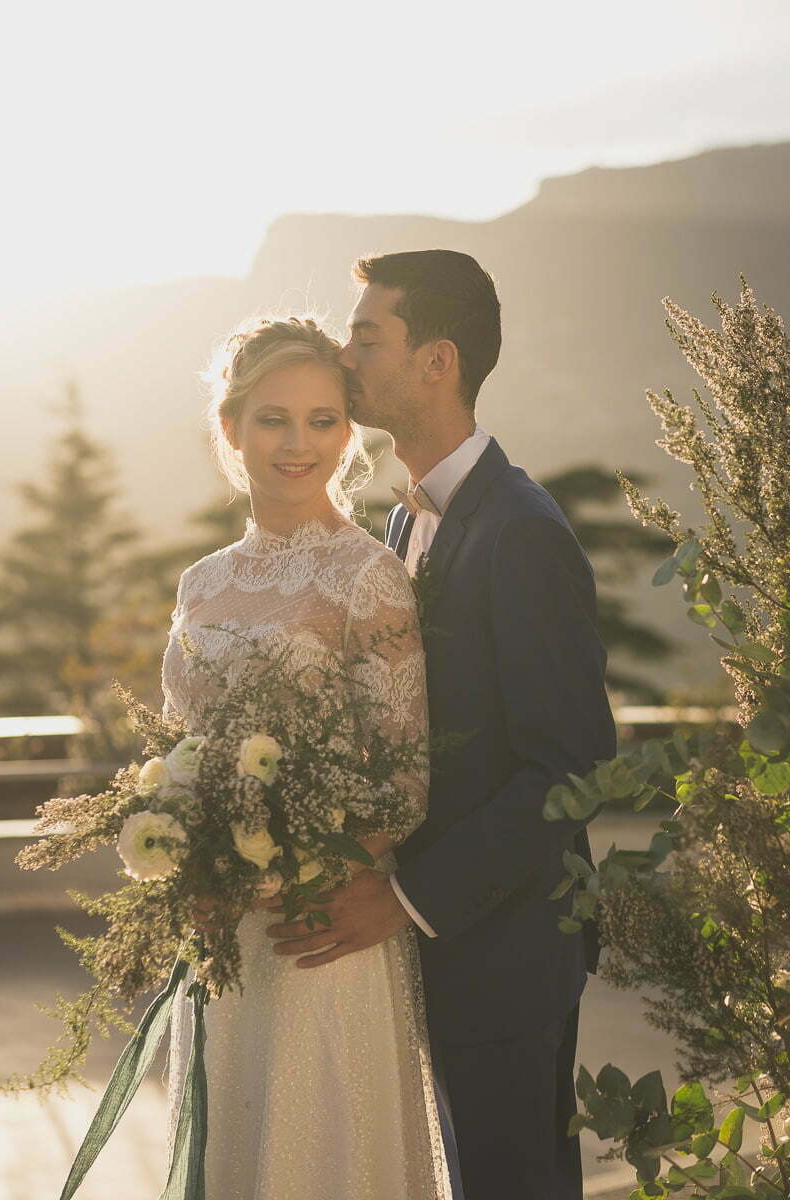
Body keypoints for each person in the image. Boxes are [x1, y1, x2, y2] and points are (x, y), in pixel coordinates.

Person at [266, 250, 617, 1198]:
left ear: (438, 361)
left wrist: (406, 898)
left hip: (503, 955)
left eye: (367, 336)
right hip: (429, 956)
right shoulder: (405, 526)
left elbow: (571, 765)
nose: (346, 355)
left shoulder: (521, 530)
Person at [161, 316, 453, 1199]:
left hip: (324, 934)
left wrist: (293, 872)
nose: (301, 445)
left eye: (324, 420)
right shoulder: (202, 583)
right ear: (230, 429)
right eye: (274, 420)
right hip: (222, 936)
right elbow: (181, 753)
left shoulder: (367, 575)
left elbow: (403, 783)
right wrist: (192, 861)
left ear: (348, 432)